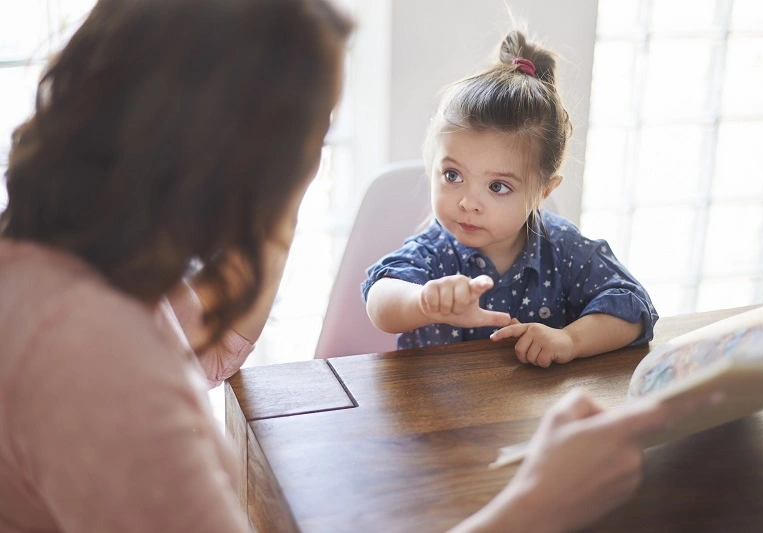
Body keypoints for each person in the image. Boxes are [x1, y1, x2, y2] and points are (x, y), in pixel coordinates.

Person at [0, 2, 671, 531]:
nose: (311, 168)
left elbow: (210, 351)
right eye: (311, 137)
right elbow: (377, 295)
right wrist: (539, 507)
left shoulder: (75, 262)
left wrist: (274, 206)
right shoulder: (87, 351)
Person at [363, 31, 658, 367]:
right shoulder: (435, 251)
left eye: (498, 187)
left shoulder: (564, 249)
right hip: (433, 414)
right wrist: (423, 302)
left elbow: (633, 307)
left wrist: (570, 340)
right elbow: (379, 300)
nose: (468, 203)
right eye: (452, 176)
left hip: (532, 414)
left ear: (543, 192)